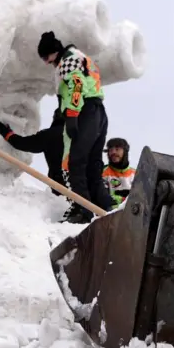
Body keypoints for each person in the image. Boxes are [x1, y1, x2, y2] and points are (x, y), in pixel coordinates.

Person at [37, 30, 114, 223]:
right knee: (93, 162)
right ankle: (105, 206)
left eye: (46, 57)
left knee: (75, 161)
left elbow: (77, 85)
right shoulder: (81, 58)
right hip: (99, 112)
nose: (46, 63)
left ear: (53, 52)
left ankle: (82, 209)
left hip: (84, 111)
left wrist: (71, 115)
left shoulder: (67, 61)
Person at [0, 97, 66, 196]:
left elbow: (21, 143)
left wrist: (4, 131)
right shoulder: (83, 135)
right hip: (85, 187)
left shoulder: (50, 135)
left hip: (60, 187)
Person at [102, 137, 136, 207]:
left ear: (125, 151)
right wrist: (124, 199)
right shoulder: (103, 171)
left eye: (117, 149)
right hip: (109, 214)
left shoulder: (135, 174)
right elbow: (102, 196)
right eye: (110, 150)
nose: (113, 152)